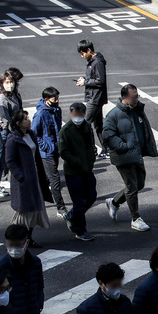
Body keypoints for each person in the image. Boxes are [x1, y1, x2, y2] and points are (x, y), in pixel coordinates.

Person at [103, 84, 158, 232]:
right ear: (124, 98)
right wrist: (124, 146)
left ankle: (114, 202)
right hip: (124, 157)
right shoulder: (114, 115)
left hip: (137, 154)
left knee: (139, 184)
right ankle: (135, 218)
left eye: (137, 95)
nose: (137, 98)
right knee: (132, 186)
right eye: (134, 96)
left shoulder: (137, 110)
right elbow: (108, 135)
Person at [5, 110, 53, 247]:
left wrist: (43, 176)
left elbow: (37, 157)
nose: (29, 120)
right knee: (25, 212)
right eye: (25, 119)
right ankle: (17, 238)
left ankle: (28, 238)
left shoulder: (31, 134)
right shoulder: (13, 139)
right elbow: (10, 161)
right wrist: (21, 177)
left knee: (35, 209)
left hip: (35, 178)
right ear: (18, 123)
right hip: (24, 182)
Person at [58, 103, 97, 242]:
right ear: (71, 114)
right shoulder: (66, 131)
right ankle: (80, 230)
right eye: (75, 114)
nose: (78, 117)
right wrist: (78, 162)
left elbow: (91, 145)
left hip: (87, 170)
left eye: (81, 115)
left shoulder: (86, 127)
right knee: (79, 202)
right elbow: (63, 152)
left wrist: (90, 160)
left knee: (91, 196)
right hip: (73, 172)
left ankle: (72, 216)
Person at [31, 87, 66, 219]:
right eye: (54, 99)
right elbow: (34, 134)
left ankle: (37, 200)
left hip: (55, 150)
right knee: (55, 179)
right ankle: (60, 207)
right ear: (46, 100)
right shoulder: (40, 114)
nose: (57, 101)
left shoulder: (57, 110)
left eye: (58, 98)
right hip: (46, 153)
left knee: (46, 179)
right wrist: (45, 146)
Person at [76, 40, 108, 157]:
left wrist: (86, 82)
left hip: (95, 98)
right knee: (98, 125)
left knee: (85, 124)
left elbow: (100, 80)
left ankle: (92, 150)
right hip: (94, 97)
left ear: (89, 50)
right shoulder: (92, 61)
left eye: (82, 53)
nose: (82, 56)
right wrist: (84, 79)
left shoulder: (97, 62)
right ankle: (106, 149)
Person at [0, 70, 23, 194]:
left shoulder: (13, 94)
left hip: (13, 130)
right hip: (7, 131)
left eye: (11, 82)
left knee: (9, 158)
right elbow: (4, 119)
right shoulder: (2, 99)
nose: (9, 84)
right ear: (2, 83)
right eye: (7, 82)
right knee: (2, 159)